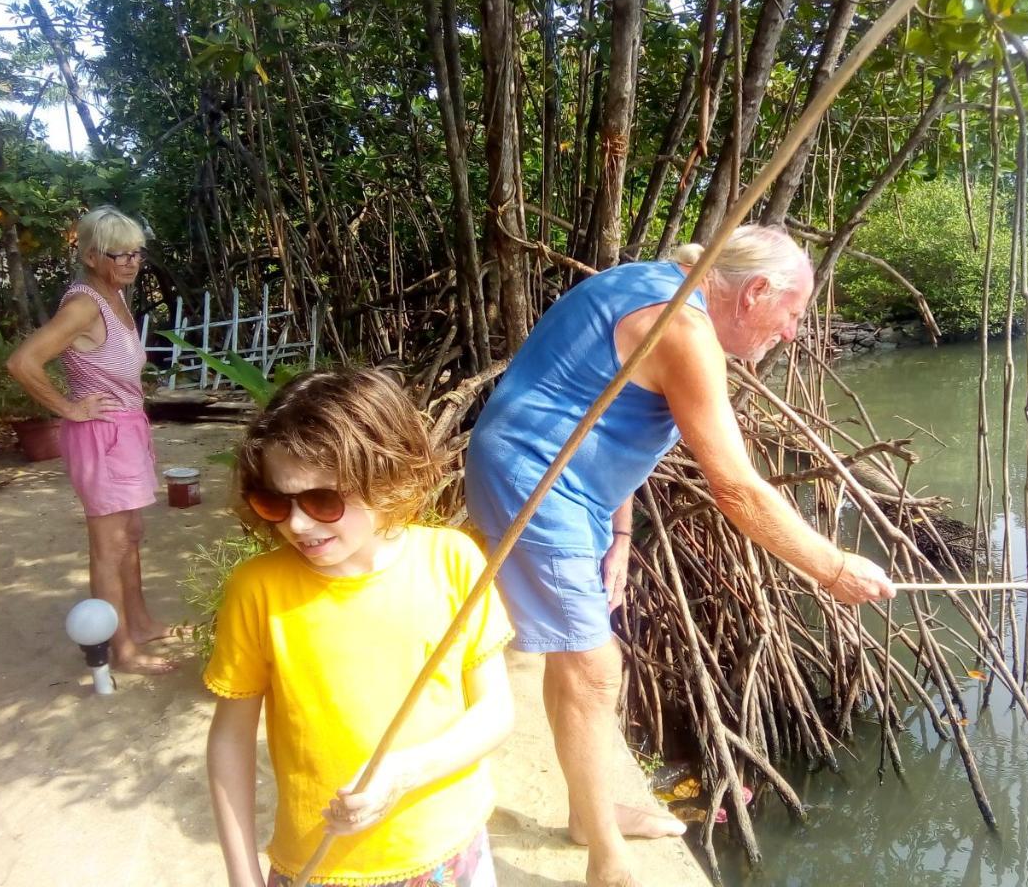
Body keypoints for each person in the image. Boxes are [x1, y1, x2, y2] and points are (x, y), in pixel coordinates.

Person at [463, 224, 896, 887]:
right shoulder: (684, 331)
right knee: (595, 668)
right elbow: (737, 487)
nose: (789, 333)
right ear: (756, 292)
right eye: (793, 314)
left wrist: (621, 533)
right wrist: (831, 568)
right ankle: (603, 852)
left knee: (579, 656)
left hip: (557, 477)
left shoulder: (650, 283)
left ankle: (590, 812)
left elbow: (604, 418)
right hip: (533, 480)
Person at [206, 368, 514, 887]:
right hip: (319, 866)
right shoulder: (257, 588)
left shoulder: (452, 561)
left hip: (450, 851)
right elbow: (229, 742)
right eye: (276, 502)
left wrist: (403, 771)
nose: (297, 525)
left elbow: (496, 711)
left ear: (387, 476)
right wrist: (243, 876)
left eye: (323, 500)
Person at [7, 205, 179, 674]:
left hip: (126, 429)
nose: (129, 261)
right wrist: (69, 407)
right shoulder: (83, 304)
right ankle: (123, 650)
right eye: (116, 253)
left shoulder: (116, 296)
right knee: (110, 547)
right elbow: (23, 362)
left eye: (136, 253)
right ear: (88, 254)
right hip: (100, 435)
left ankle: (139, 623)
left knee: (132, 536)